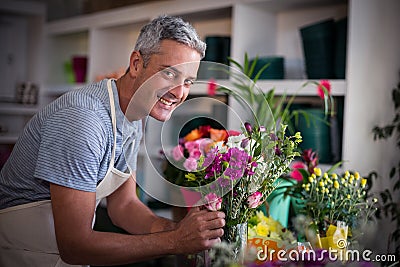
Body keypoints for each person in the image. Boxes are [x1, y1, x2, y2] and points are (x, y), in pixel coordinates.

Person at [0, 15, 225, 266]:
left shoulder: (133, 115)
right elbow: (74, 245)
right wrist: (175, 241)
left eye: (188, 81)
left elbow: (124, 206)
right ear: (137, 63)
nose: (179, 92)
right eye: (170, 74)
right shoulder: (83, 120)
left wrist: (181, 231)